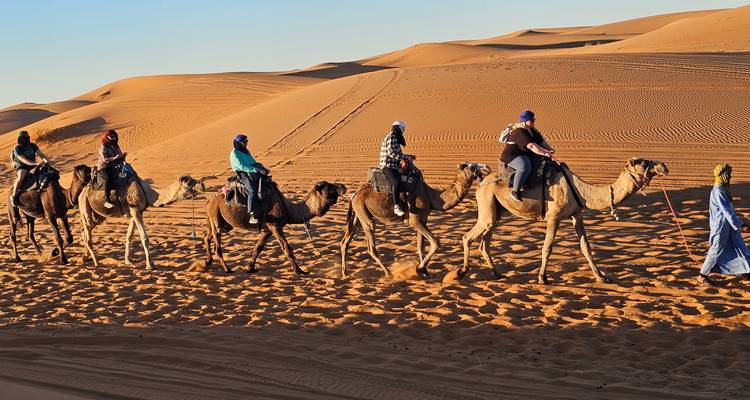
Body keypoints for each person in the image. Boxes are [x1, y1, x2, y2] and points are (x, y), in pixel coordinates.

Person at [698, 163, 750, 285]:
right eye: (728, 174)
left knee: (738, 246)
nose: (730, 177)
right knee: (716, 250)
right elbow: (726, 211)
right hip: (721, 226)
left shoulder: (722, 189)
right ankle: (702, 275)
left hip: (728, 225)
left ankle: (745, 271)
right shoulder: (719, 190)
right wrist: (740, 225)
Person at [500, 110, 555, 202]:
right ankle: (515, 191)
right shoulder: (519, 131)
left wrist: (549, 149)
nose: (534, 121)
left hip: (524, 153)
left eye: (534, 119)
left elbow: (541, 142)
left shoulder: (532, 130)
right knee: (524, 167)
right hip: (512, 156)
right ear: (525, 121)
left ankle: (530, 184)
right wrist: (544, 153)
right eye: (532, 120)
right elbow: (532, 146)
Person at [230, 134, 267, 224]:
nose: (246, 144)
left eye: (247, 141)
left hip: (251, 171)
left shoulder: (246, 151)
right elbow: (242, 166)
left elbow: (252, 162)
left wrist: (261, 167)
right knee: (252, 190)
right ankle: (252, 214)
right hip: (242, 174)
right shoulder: (234, 153)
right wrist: (255, 169)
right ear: (238, 143)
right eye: (244, 142)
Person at [379, 120, 411, 216]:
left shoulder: (395, 138)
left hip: (394, 165)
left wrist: (408, 157)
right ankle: (396, 206)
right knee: (396, 182)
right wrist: (403, 158)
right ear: (398, 128)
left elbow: (398, 153)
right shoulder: (391, 137)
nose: (402, 132)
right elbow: (391, 153)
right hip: (387, 165)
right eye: (402, 129)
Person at [10, 131, 50, 207]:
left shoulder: (33, 146)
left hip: (33, 165)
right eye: (24, 138)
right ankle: (14, 196)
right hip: (22, 166)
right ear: (20, 139)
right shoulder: (17, 148)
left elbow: (41, 154)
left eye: (27, 138)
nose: (26, 139)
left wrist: (46, 161)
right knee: (21, 177)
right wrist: (36, 163)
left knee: (48, 172)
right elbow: (23, 159)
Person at [98, 129, 126, 209]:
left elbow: (119, 154)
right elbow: (104, 159)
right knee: (108, 178)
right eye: (111, 136)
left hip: (115, 165)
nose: (113, 138)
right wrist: (114, 158)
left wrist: (122, 156)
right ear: (107, 137)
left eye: (114, 136)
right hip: (104, 166)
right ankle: (107, 200)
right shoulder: (103, 146)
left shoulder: (116, 145)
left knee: (125, 175)